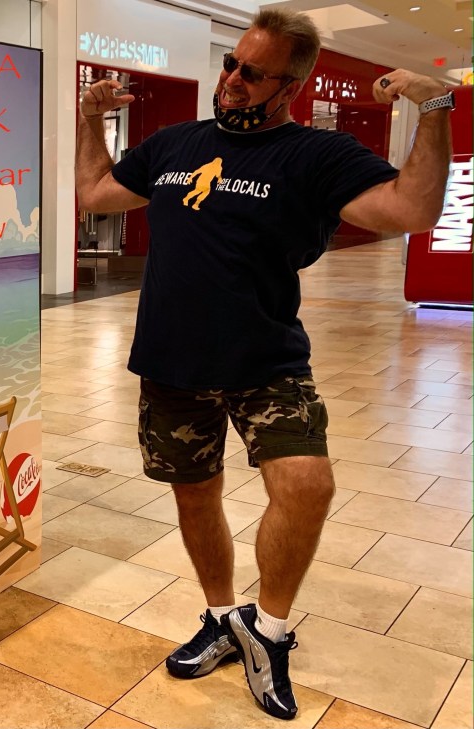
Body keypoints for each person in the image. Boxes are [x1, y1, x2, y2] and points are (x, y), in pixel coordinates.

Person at [76, 7, 452, 721]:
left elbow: (412, 210)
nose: (232, 81)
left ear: (291, 86)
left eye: (252, 73)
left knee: (307, 484)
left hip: (266, 359)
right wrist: (89, 119)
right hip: (172, 360)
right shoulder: (175, 143)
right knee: (195, 496)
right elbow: (96, 193)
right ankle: (223, 618)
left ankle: (268, 631)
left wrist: (433, 109)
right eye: (231, 64)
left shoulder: (315, 155)